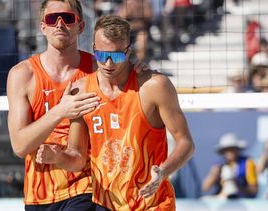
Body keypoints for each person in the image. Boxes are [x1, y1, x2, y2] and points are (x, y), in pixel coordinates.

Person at [37, 15, 195, 210]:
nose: (109, 63)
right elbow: (78, 159)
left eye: (117, 56)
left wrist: (162, 172)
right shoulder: (81, 91)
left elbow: (186, 143)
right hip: (106, 204)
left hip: (152, 203)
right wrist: (58, 157)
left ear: (128, 52)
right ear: (94, 50)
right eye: (102, 55)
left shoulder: (153, 86)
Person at [7, 0, 148, 210]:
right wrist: (61, 111)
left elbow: (131, 99)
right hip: (40, 192)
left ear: (81, 26)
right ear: (42, 26)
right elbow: (19, 146)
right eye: (52, 18)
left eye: (68, 18)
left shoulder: (98, 69)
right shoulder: (23, 75)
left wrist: (140, 72)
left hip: (88, 186)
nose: (60, 24)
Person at [202, 133, 258, 198]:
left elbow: (254, 190)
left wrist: (236, 184)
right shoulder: (218, 166)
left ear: (238, 149)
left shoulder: (248, 163)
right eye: (227, 149)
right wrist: (214, 175)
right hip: (222, 199)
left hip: (242, 200)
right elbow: (205, 188)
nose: (230, 152)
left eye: (232, 149)